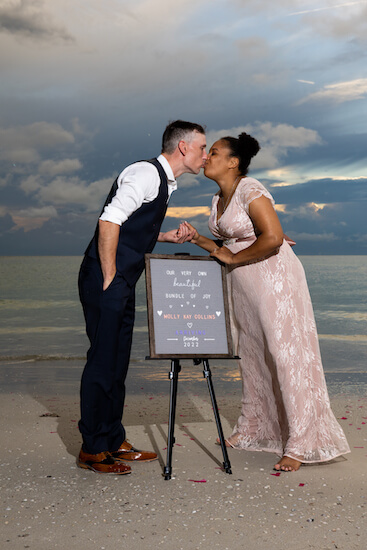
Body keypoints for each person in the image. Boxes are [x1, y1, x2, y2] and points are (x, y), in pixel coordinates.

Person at [180, 132, 350, 472]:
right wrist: (197, 238)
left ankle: (302, 442)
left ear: (233, 162)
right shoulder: (217, 199)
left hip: (274, 279)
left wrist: (234, 259)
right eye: (207, 152)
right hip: (244, 284)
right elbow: (225, 251)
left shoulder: (250, 189)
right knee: (253, 355)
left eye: (214, 153)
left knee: (287, 355)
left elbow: (272, 238)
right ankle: (255, 429)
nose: (207, 157)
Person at [77, 120, 207, 474]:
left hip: (121, 281)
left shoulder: (164, 182)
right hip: (108, 279)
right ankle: (92, 448)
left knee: (117, 363)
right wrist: (109, 278)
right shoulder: (146, 173)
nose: (205, 155)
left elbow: (133, 227)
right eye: (202, 148)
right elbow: (109, 221)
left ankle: (112, 440)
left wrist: (164, 238)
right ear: (183, 147)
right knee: (103, 363)